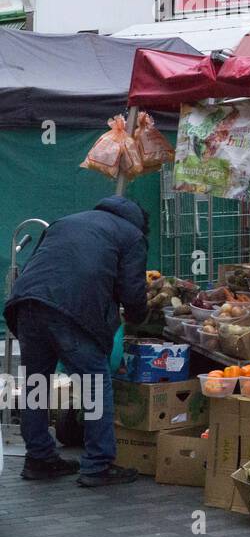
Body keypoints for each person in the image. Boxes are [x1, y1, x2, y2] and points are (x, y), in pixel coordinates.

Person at [4, 196, 149, 486]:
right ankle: (97, 465)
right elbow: (132, 290)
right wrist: (138, 315)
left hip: (26, 303)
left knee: (37, 384)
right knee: (96, 385)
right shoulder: (132, 235)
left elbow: (42, 264)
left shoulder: (66, 222)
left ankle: (39, 458)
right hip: (70, 311)